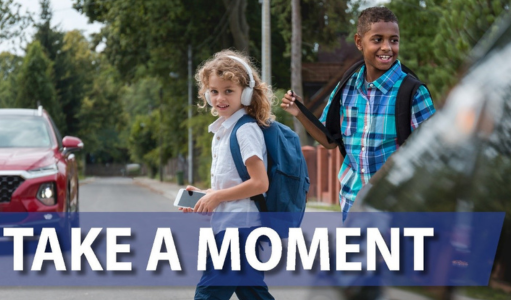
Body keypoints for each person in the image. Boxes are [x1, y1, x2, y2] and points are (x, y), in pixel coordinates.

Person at [281, 6, 436, 221]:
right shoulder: (346, 87)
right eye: (377, 39)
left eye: (394, 40)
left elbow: (433, 155)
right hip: (352, 203)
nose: (387, 47)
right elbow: (328, 139)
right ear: (359, 42)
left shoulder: (413, 92)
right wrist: (299, 112)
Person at [180, 49, 275, 300]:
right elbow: (233, 184)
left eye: (228, 91)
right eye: (214, 91)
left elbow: (259, 183)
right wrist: (205, 196)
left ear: (245, 93)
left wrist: (218, 197)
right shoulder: (223, 130)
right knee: (252, 293)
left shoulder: (245, 131)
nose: (220, 98)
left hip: (239, 229)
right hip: (230, 227)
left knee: (208, 294)